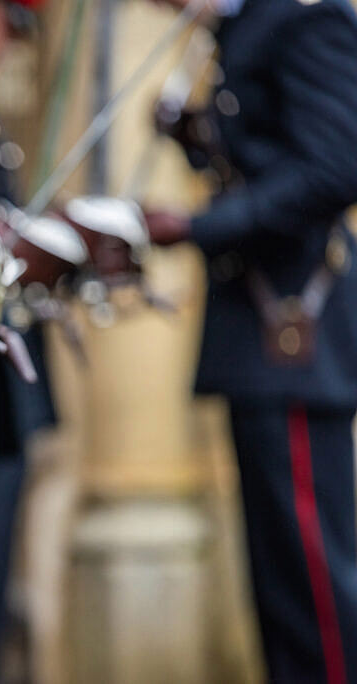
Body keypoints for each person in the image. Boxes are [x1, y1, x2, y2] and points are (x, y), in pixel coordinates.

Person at [144, 0, 357, 681]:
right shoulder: (242, 27)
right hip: (263, 335)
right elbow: (268, 155)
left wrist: (196, 227)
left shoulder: (301, 19)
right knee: (278, 577)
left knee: (313, 583)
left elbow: (331, 168)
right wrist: (196, 137)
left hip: (293, 331)